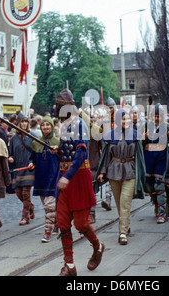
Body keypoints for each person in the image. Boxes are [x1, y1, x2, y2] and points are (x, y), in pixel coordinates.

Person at [55, 88, 104, 276]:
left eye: (62, 106)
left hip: (78, 177)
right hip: (65, 178)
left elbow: (81, 152)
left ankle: (98, 247)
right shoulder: (64, 125)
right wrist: (57, 150)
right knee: (62, 221)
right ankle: (70, 265)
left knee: (82, 224)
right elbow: (68, 151)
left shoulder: (79, 124)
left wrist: (68, 176)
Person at [96, 109, 146, 244]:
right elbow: (106, 157)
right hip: (114, 171)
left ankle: (122, 233)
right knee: (119, 203)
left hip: (130, 171)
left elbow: (140, 158)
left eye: (128, 119)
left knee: (125, 202)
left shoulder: (135, 136)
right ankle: (126, 224)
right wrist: (102, 172)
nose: (126, 121)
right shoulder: (110, 136)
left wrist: (141, 174)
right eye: (123, 119)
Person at [143, 104, 169, 223]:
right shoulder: (146, 126)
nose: (156, 119)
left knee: (160, 185)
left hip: (162, 160)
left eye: (158, 116)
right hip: (148, 159)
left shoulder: (168, 128)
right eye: (154, 116)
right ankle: (156, 203)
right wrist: (143, 137)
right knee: (150, 186)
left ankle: (162, 212)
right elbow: (140, 142)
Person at [29, 116, 59, 241]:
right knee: (47, 206)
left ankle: (47, 231)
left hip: (54, 176)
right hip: (41, 177)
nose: (45, 127)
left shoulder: (58, 142)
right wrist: (31, 163)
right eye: (43, 125)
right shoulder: (36, 143)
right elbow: (32, 157)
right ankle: (56, 222)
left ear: (52, 127)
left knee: (49, 206)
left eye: (48, 125)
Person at [9, 114, 36, 226]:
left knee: (25, 192)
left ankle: (25, 217)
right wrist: (10, 158)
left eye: (26, 122)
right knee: (18, 192)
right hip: (18, 168)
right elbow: (10, 152)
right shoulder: (14, 138)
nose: (24, 124)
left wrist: (32, 162)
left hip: (28, 168)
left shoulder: (32, 136)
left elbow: (35, 153)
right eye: (22, 122)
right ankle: (31, 207)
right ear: (18, 123)